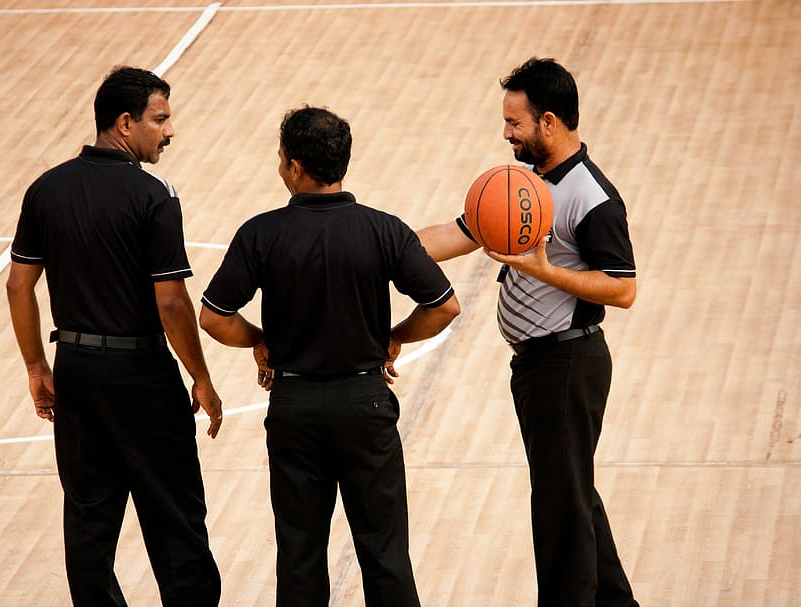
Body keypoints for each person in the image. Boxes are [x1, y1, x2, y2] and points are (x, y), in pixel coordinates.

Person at [198, 106, 460, 607]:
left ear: (295, 167)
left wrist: (259, 338)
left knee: (300, 559)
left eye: (280, 158)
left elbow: (213, 317)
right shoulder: (384, 230)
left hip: (294, 407)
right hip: (365, 405)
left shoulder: (261, 233)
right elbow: (444, 305)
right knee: (385, 555)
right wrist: (395, 336)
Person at [417, 57, 639, 606]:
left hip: (567, 364)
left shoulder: (593, 197)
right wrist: (376, 247)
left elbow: (625, 289)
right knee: (572, 495)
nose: (505, 133)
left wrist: (545, 271)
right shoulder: (523, 184)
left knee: (559, 508)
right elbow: (453, 234)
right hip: (538, 365)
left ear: (548, 122)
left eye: (514, 123)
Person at [6, 66, 223, 607]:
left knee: (88, 523)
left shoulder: (46, 188)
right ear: (125, 124)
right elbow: (171, 300)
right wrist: (200, 375)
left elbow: (18, 285)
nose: (169, 131)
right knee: (175, 516)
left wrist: (37, 367)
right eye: (161, 119)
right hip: (142, 377)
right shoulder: (154, 194)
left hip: (76, 371)